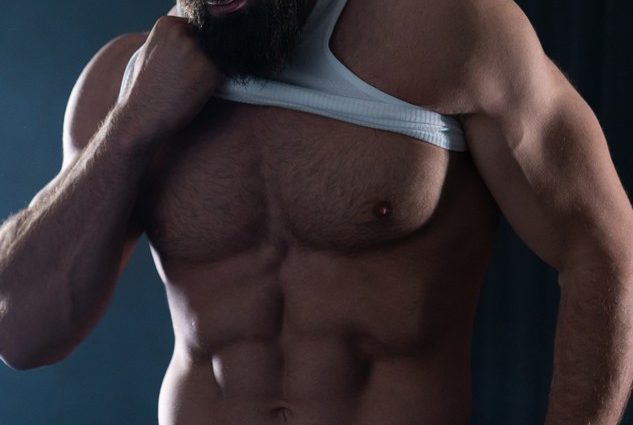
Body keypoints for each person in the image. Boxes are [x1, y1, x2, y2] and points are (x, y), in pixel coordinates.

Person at [0, 0, 631, 423]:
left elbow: (604, 245)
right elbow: (20, 334)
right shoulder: (125, 81)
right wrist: (131, 127)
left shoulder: (446, 32)